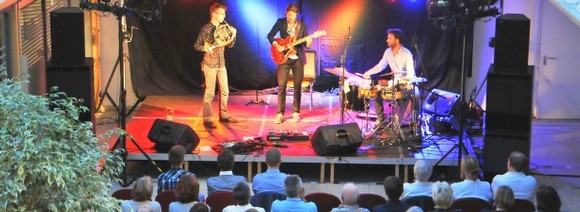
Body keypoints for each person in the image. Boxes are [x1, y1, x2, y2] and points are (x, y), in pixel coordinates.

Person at [194, 2, 238, 129]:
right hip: (209, 64)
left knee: (225, 91)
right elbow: (196, 45)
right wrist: (205, 48)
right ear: (214, 14)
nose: (224, 16)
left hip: (221, 63)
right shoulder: (206, 29)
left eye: (224, 13)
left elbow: (230, 45)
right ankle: (207, 119)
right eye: (222, 14)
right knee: (209, 93)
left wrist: (234, 35)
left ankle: (223, 116)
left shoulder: (224, 28)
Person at [267, 3, 313, 124]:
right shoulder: (280, 22)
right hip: (284, 59)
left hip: (298, 59)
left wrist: (309, 42)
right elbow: (270, 35)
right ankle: (280, 113)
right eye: (289, 15)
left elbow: (306, 45)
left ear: (296, 15)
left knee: (297, 87)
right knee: (282, 87)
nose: (291, 18)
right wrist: (276, 45)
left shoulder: (301, 25)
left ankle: (295, 112)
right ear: (286, 13)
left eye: (293, 15)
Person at [362, 28, 416, 126]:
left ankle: (402, 121)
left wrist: (391, 83)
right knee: (376, 90)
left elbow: (410, 75)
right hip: (393, 82)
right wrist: (369, 72)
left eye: (389, 38)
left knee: (404, 94)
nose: (387, 40)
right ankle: (381, 119)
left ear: (397, 40)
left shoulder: (407, 54)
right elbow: (380, 65)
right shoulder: (388, 52)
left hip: (405, 84)